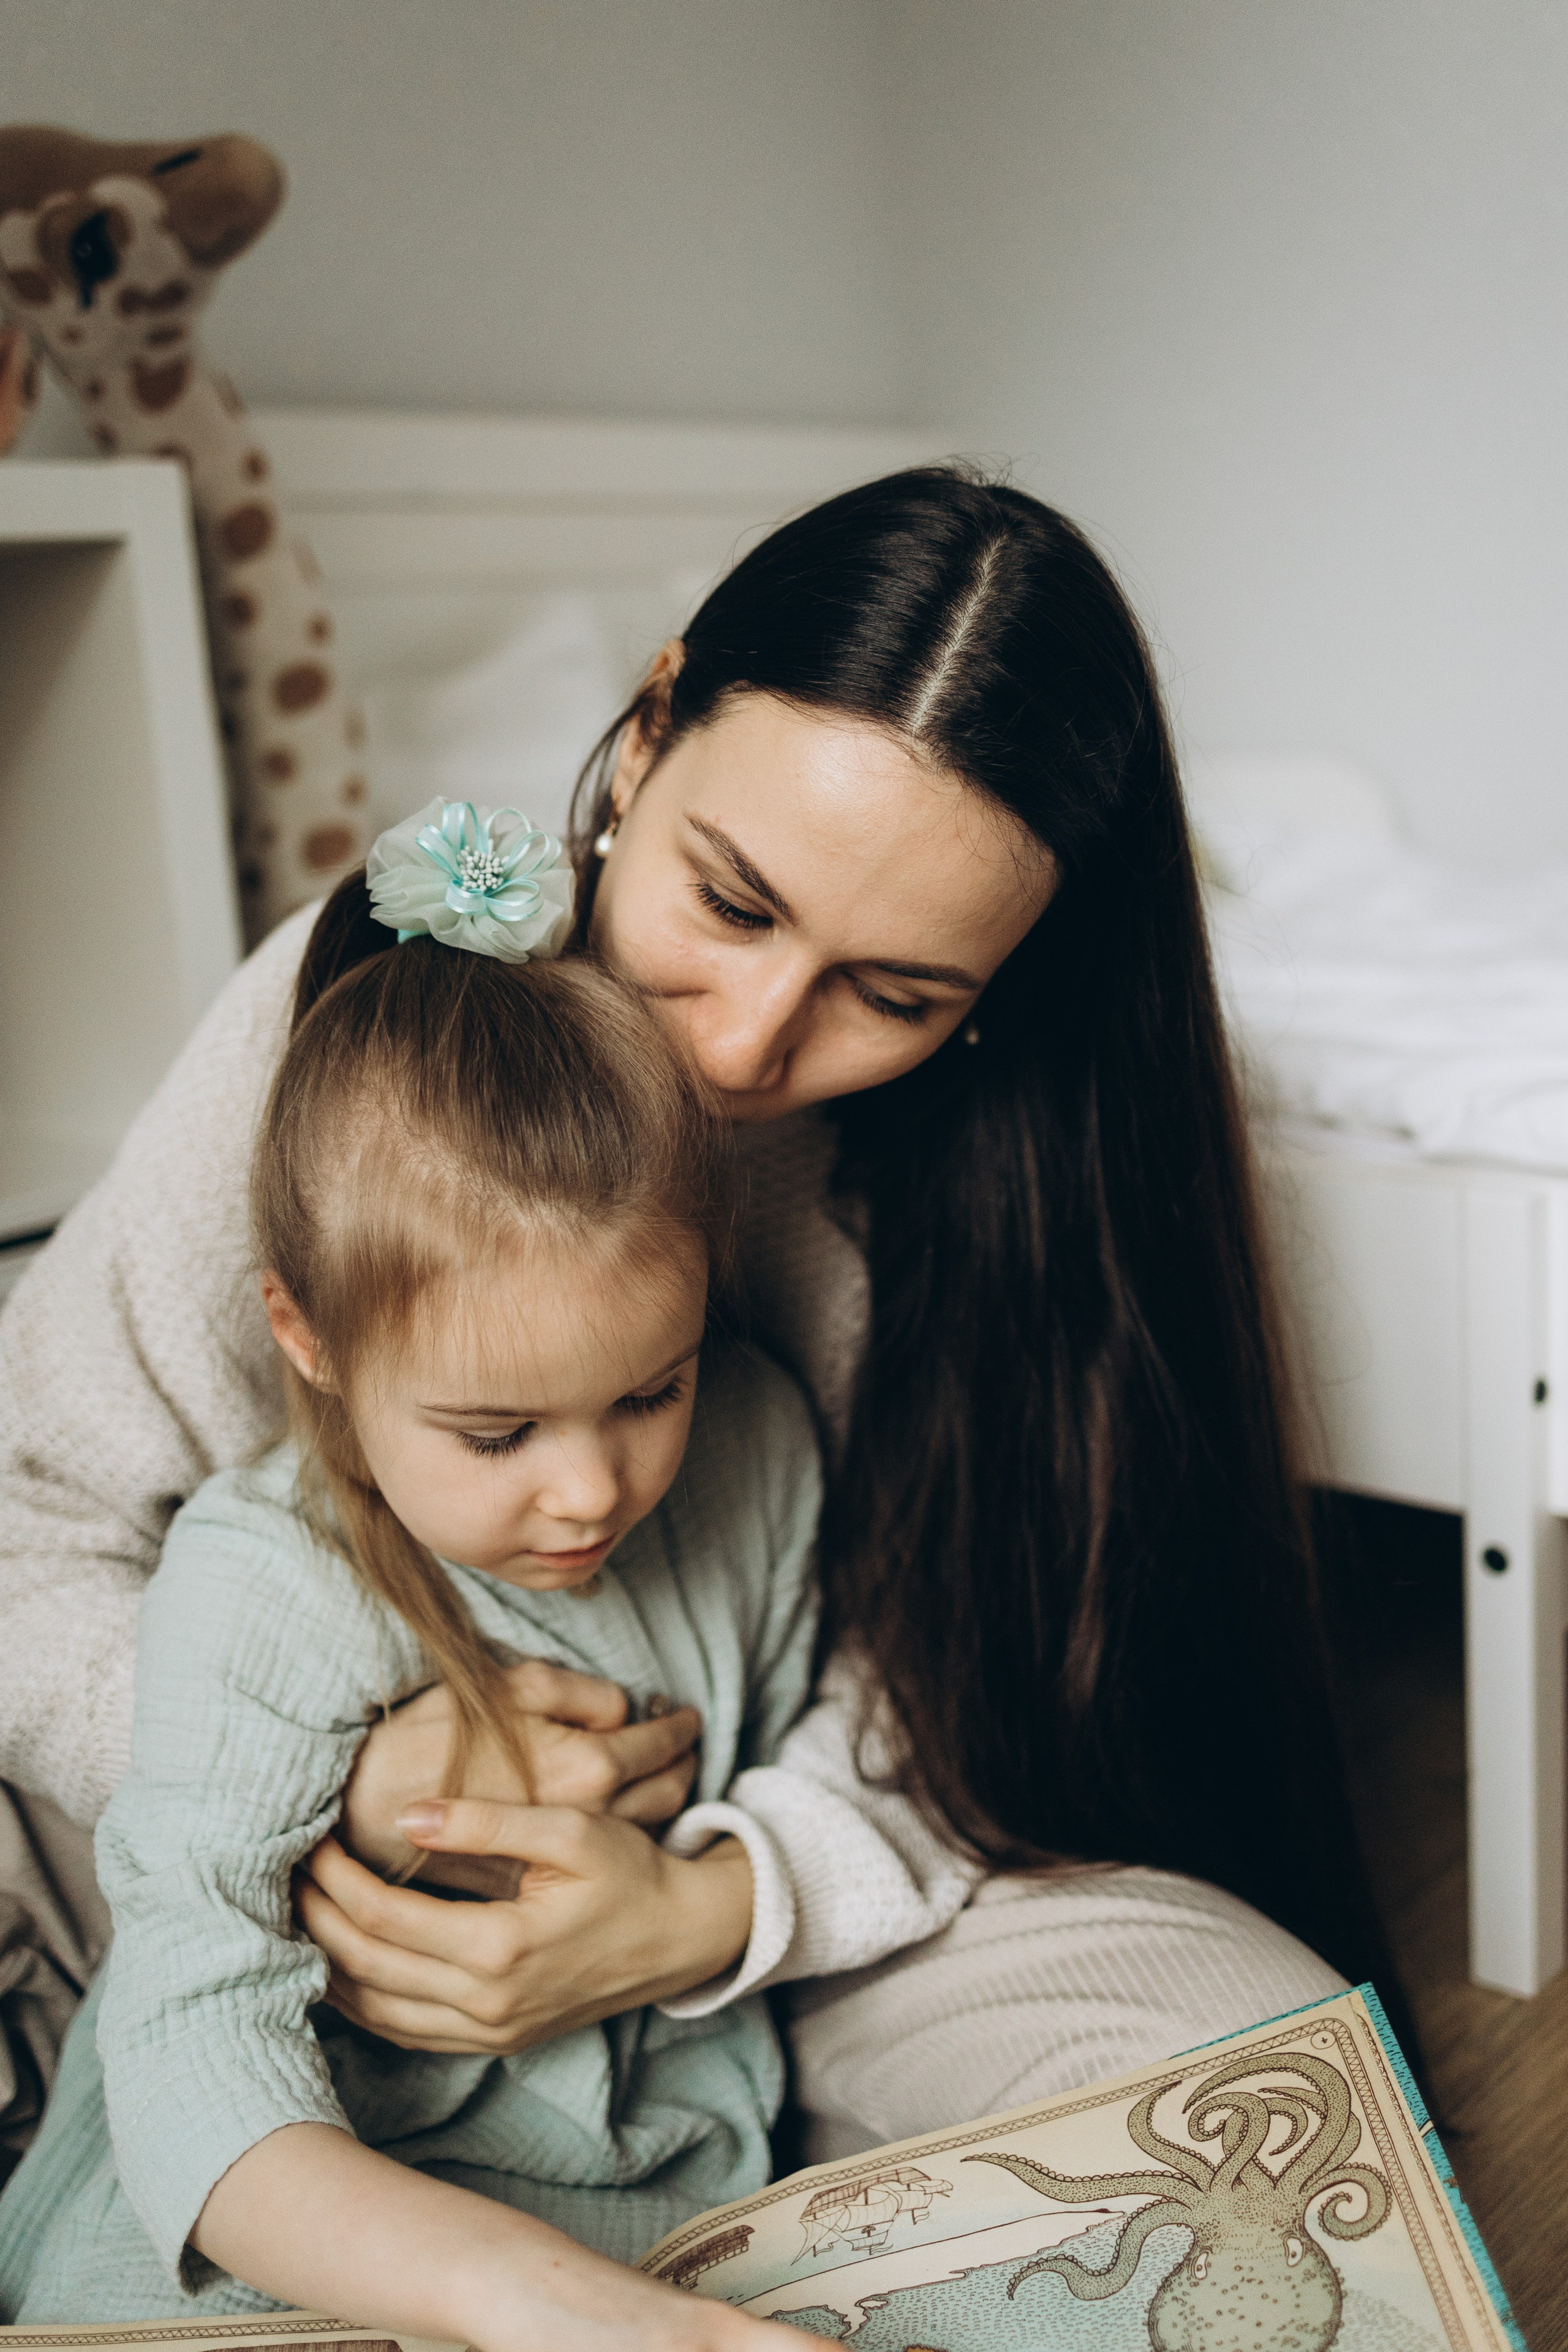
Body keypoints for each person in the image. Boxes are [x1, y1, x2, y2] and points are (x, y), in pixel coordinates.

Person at [0, 467, 1383, 2282]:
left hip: (742, 1922)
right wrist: (334, 1785)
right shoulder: (358, 1019)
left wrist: (704, 1908)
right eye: (730, 904)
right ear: (646, 735)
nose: (745, 1045)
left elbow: (940, 1684)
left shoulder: (982, 1192)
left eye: (893, 994)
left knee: (1264, 2069)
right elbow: (27, 1521)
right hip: (251, 1874)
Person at [0, 809, 834, 2346]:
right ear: (307, 1337)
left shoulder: (767, 1451)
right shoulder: (260, 1585)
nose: (590, 1490)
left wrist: (722, 1895)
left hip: (652, 2192)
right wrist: (525, 2302)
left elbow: (858, 1741)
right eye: (495, 1429)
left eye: (652, 1389)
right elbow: (192, 2047)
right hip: (266, 2203)